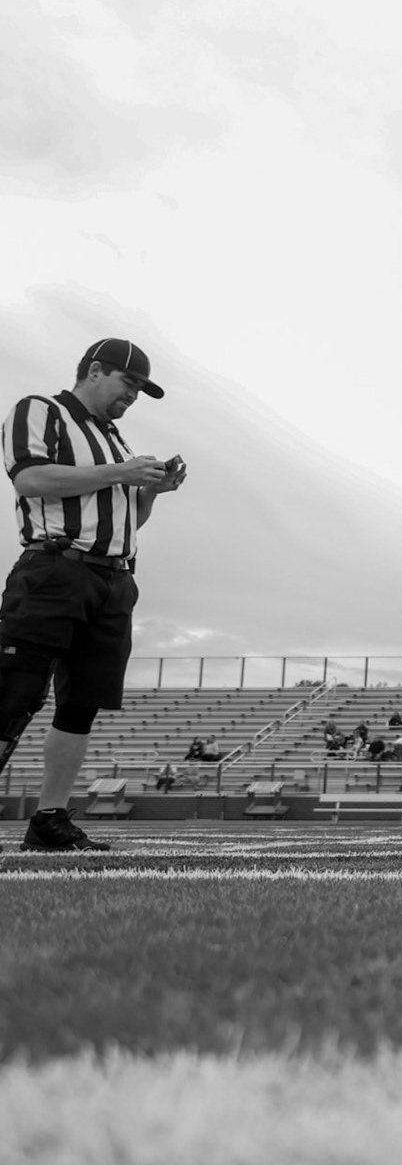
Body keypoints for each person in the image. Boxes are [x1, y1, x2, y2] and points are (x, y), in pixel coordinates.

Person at [1, 338, 185, 851]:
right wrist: (122, 473)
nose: (133, 397)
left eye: (140, 390)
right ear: (96, 371)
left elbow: (128, 523)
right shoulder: (43, 410)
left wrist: (150, 491)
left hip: (113, 578)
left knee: (79, 705)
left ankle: (49, 820)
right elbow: (31, 478)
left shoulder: (118, 442)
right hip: (56, 567)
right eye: (129, 384)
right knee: (14, 695)